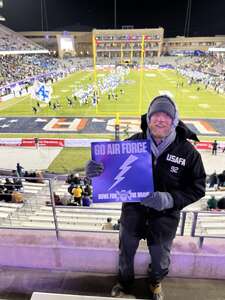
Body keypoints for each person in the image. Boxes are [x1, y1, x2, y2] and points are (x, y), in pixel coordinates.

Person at [85, 95, 206, 300]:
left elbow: (198, 187)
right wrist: (93, 172)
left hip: (165, 216)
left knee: (160, 258)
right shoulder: (133, 142)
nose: (160, 119)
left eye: (166, 116)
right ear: (148, 119)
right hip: (133, 211)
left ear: (174, 120)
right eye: (155, 115)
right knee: (126, 251)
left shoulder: (188, 152)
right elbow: (111, 171)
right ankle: (124, 283)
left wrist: (169, 199)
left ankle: (155, 282)